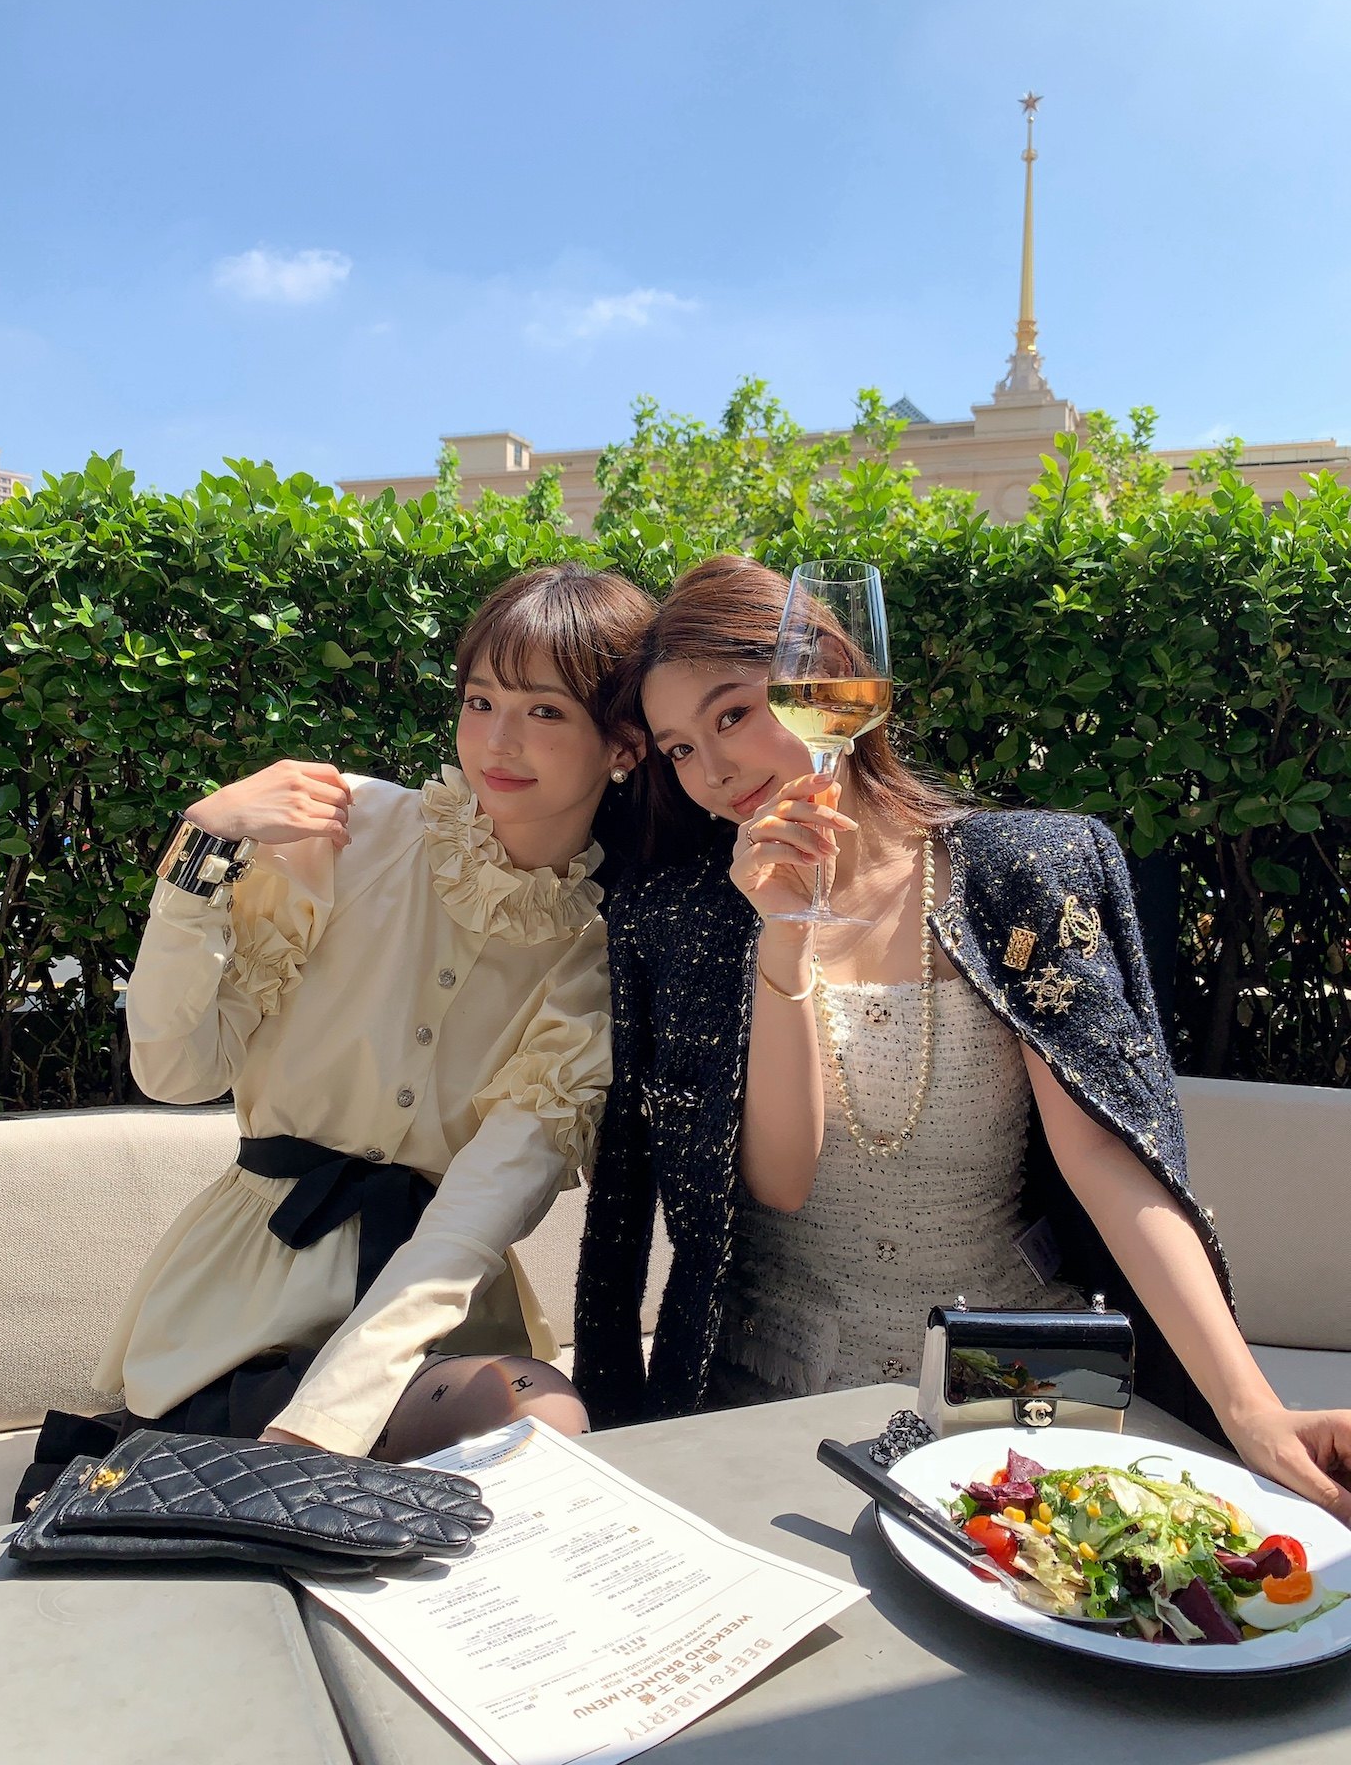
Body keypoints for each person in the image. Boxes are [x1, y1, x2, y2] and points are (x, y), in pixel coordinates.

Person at [574, 554, 1351, 1525]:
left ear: (833, 682)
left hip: (1024, 1386)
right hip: (778, 1400)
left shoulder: (1025, 871)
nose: (713, 770)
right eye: (680, 749)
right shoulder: (684, 919)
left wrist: (1252, 1408)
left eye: (732, 714)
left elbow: (1106, 1154)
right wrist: (783, 935)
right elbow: (781, 1182)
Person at [17, 562, 654, 1514]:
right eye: (480, 701)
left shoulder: (602, 946)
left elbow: (477, 1212)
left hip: (425, 1322)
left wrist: (319, 1426)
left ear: (625, 745)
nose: (497, 740)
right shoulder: (347, 831)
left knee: (541, 1417)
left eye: (545, 711)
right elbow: (175, 1070)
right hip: (243, 1308)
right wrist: (201, 853)